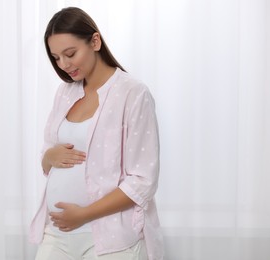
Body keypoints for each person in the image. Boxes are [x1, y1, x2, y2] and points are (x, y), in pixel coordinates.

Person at [30, 7, 164, 260]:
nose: (64, 65)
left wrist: (84, 214)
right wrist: (49, 156)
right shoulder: (65, 92)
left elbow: (143, 180)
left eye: (70, 54)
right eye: (56, 57)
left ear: (95, 41)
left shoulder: (132, 93)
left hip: (110, 237)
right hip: (57, 234)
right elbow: (46, 157)